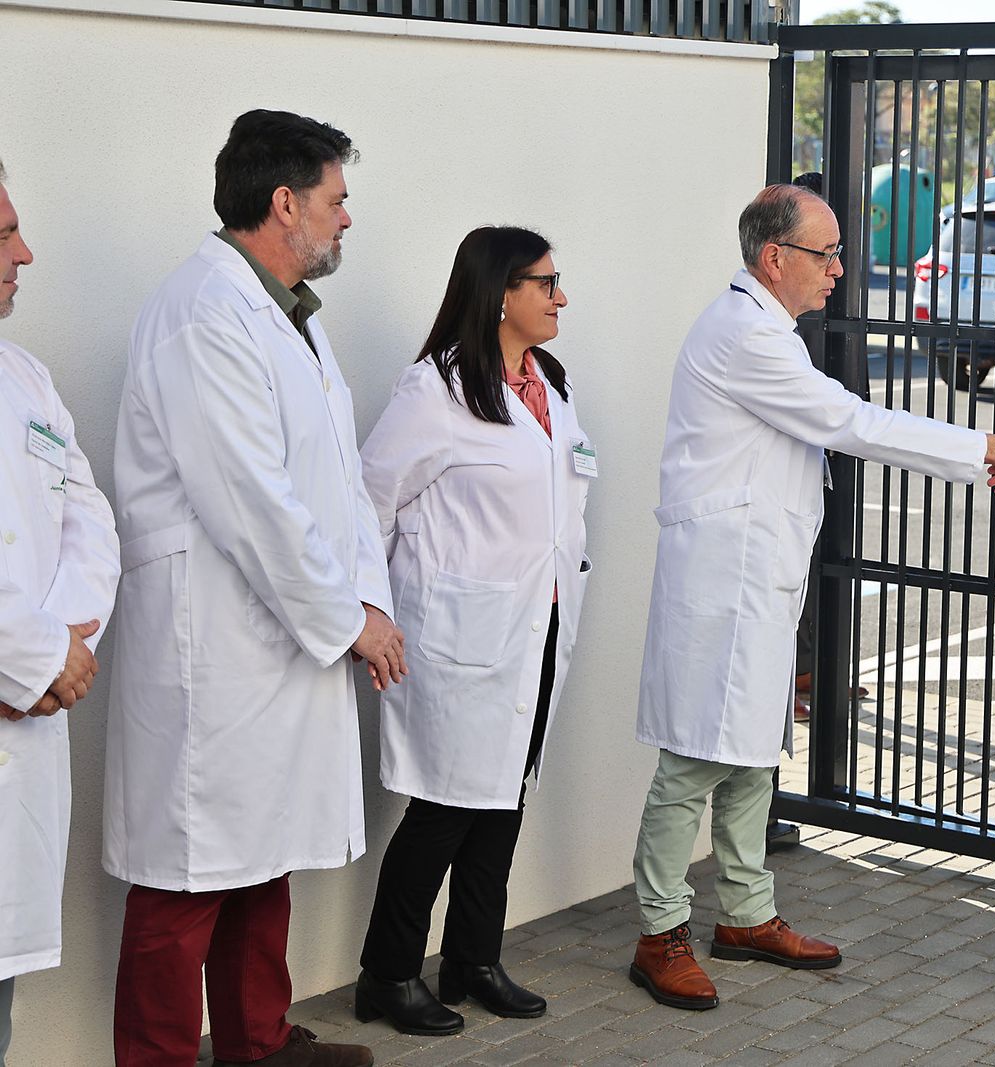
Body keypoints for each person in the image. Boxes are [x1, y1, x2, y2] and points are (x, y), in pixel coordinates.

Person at [629, 183, 995, 1012]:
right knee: (693, 760)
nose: (839, 269)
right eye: (825, 253)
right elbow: (853, 422)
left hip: (757, 577)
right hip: (723, 581)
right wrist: (989, 445)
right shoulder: (744, 336)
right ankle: (660, 933)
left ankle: (746, 913)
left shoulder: (768, 329)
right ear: (774, 258)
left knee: (753, 750)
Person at [105, 110, 403, 1067]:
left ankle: (258, 1046)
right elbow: (252, 500)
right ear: (284, 203)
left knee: (260, 858)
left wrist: (369, 599)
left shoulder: (288, 315)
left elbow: (340, 483)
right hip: (214, 645)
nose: (347, 217)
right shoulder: (204, 312)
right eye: (336, 199)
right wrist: (346, 619)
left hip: (274, 638)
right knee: (186, 880)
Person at [352, 227, 588, 1035]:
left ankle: (472, 959)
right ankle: (386, 973)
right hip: (458, 634)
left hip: (537, 625)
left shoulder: (548, 384)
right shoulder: (436, 390)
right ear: (498, 293)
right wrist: (372, 607)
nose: (560, 297)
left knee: (502, 799)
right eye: (545, 283)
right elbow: (368, 502)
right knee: (444, 808)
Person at [0, 158, 120, 1067]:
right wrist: (33, 652)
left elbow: (90, 517)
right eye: (5, 233)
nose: (25, 253)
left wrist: (63, 650)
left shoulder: (27, 377)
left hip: (31, 712)